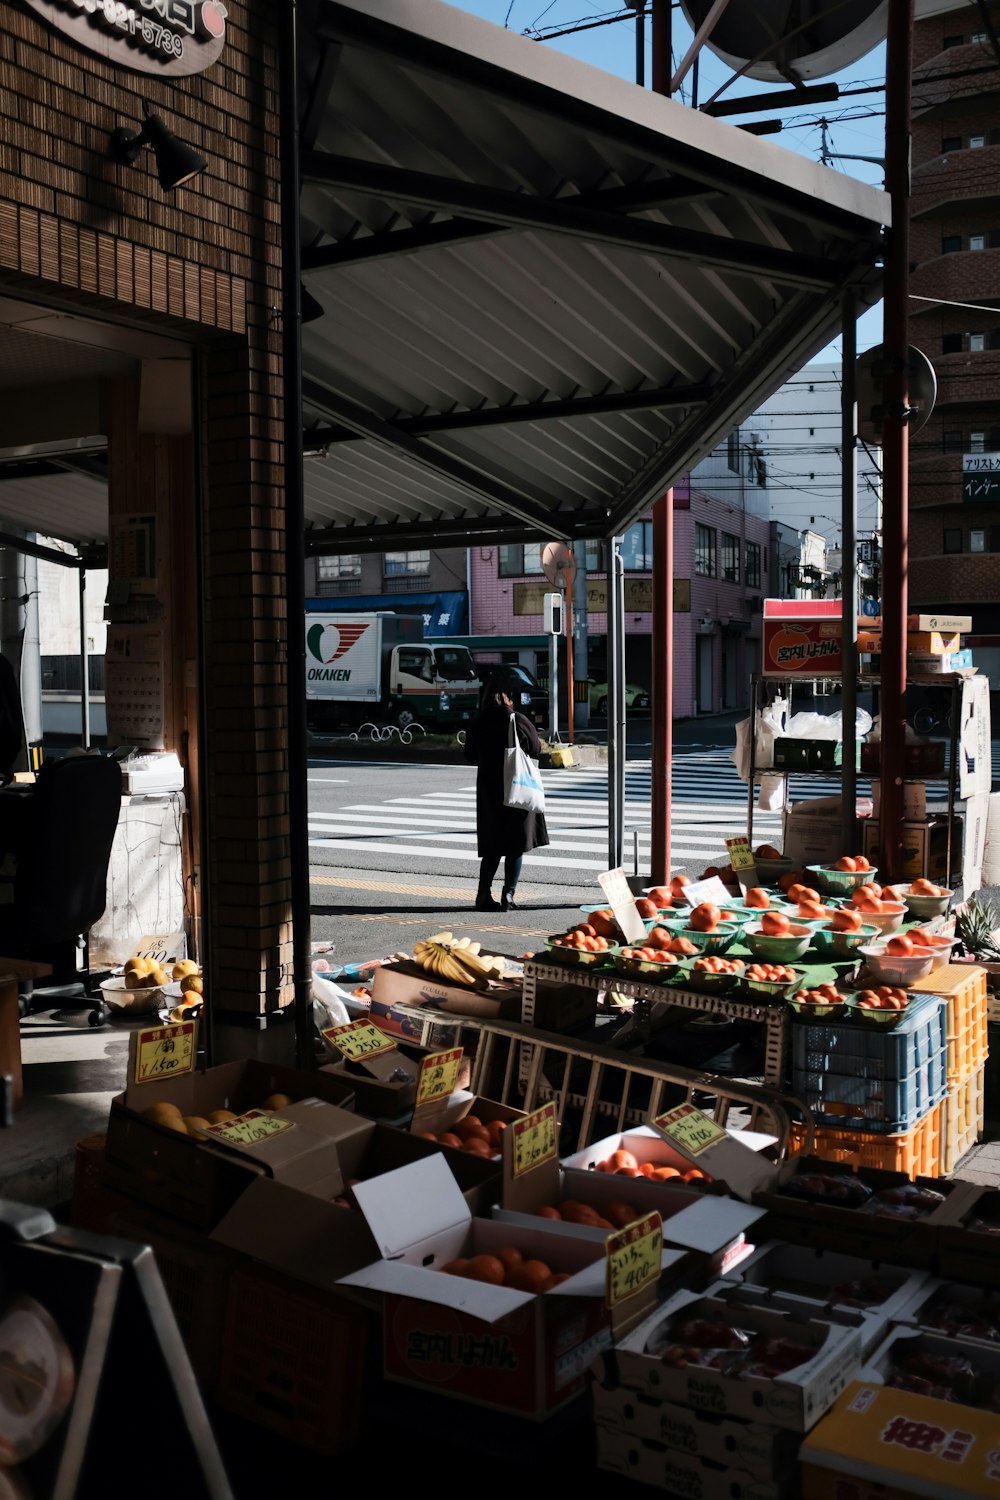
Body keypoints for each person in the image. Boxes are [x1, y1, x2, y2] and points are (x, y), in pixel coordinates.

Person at [463, 673, 549, 911]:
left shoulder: (478, 721)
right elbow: (535, 747)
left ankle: (483, 895)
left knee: (493, 845)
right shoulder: (516, 719)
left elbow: (470, 755)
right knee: (515, 844)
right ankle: (508, 895)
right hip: (516, 786)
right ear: (507, 696)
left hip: (490, 790)